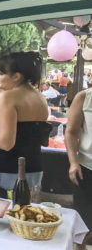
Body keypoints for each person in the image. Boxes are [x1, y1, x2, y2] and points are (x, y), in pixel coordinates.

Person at [0, 52, 50, 201]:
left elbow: (6, 143)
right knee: (26, 219)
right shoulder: (40, 97)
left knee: (2, 220)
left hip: (6, 171)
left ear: (16, 76)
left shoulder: (7, 97)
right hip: (34, 167)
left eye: (1, 73)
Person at [66, 88, 92, 248]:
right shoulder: (85, 97)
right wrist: (73, 161)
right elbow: (71, 131)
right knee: (83, 225)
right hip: (86, 168)